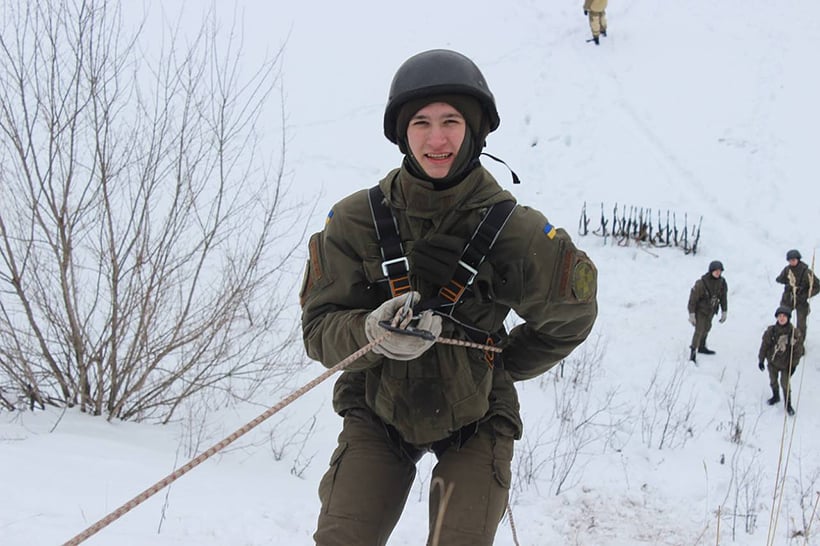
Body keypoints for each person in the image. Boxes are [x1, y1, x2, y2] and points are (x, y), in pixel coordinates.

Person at [299, 49, 598, 546]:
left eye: (451, 122)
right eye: (421, 123)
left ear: (475, 128)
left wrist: (501, 362)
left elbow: (572, 316)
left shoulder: (516, 232)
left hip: (475, 417)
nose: (436, 140)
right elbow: (318, 329)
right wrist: (370, 334)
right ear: (402, 133)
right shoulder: (355, 221)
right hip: (379, 408)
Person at [758, 306, 803, 415]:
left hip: (786, 365)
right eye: (780, 316)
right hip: (772, 362)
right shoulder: (771, 331)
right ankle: (776, 396)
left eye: (784, 316)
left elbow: (798, 351)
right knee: (773, 380)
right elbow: (764, 346)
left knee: (785, 384)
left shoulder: (794, 333)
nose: (782, 318)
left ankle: (788, 404)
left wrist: (793, 365)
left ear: (788, 318)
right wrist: (761, 359)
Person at [687, 260, 728, 362]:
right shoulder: (702, 283)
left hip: (711, 310)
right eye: (716, 271)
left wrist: (724, 311)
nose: (718, 273)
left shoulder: (722, 283)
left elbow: (723, 297)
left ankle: (702, 346)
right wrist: (692, 314)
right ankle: (693, 351)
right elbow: (693, 299)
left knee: (707, 328)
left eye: (719, 271)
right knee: (699, 330)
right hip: (701, 310)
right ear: (711, 271)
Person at [775, 249, 819, 341]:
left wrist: (807, 294)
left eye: (793, 260)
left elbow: (817, 286)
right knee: (782, 319)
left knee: (801, 324)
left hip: (801, 300)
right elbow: (779, 279)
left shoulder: (806, 272)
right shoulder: (787, 270)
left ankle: (799, 343)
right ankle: (782, 340)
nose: (792, 262)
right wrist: (787, 282)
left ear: (798, 259)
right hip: (788, 299)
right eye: (790, 260)